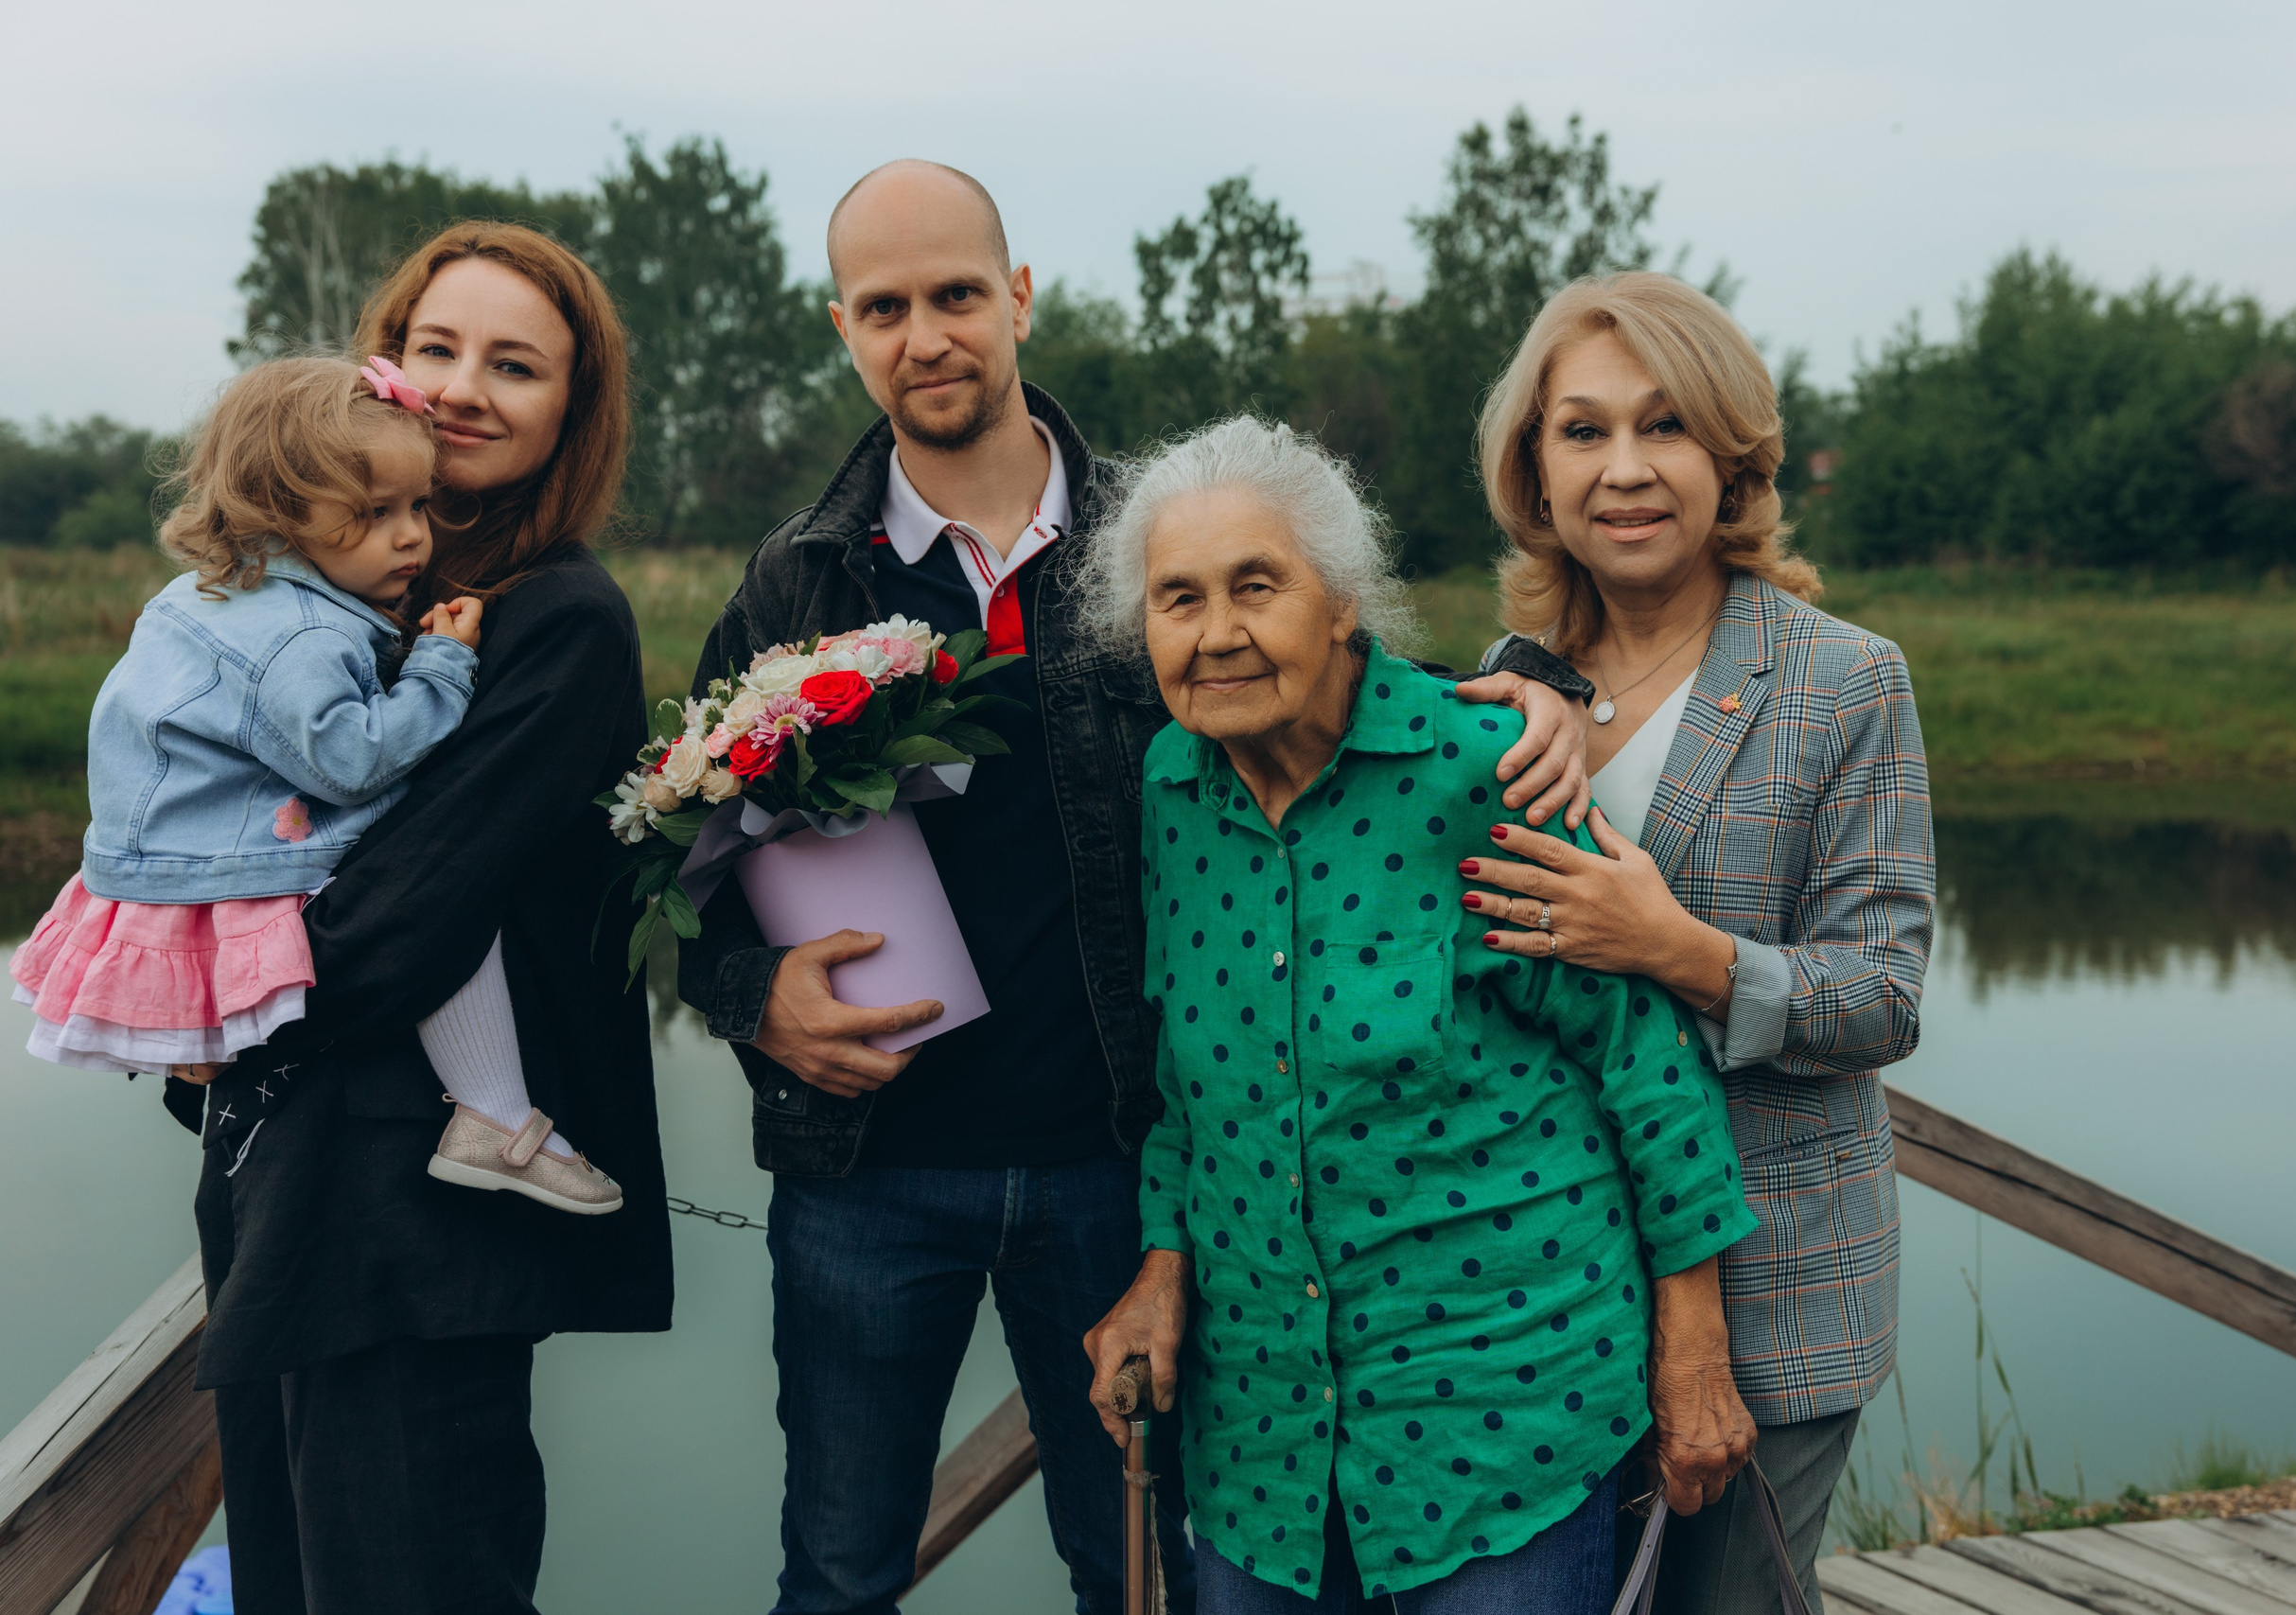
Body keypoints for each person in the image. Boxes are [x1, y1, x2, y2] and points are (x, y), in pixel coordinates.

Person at [676, 159, 1595, 1615]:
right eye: (888, 305)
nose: (929, 335)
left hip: (1119, 1165)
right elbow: (693, 855)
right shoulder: (797, 580)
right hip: (869, 1178)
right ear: (841, 323)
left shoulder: (1156, 538)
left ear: (1019, 297)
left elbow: (1328, 684)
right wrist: (749, 999)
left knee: (1137, 1571)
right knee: (838, 1571)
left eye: (960, 294)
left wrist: (1538, 676)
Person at [1072, 417, 1758, 1614]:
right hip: (1265, 1445)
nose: (1217, 632)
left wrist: (1693, 1352)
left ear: (1341, 602)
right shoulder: (1170, 790)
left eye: (1256, 586)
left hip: (1503, 1416)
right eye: (1177, 600)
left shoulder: (1481, 765)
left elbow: (1642, 1059)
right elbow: (1194, 1090)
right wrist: (1161, 1262)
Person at [173, 222, 673, 1615]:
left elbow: (409, 914)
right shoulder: (312, 602)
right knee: (285, 1576)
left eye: (515, 365)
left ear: (571, 413)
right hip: (276, 1177)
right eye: (433, 347)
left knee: (408, 1574)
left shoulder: (556, 619)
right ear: (378, 361)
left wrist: (225, 1017)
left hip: (416, 1225)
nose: (461, 386)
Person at [1456, 272, 1936, 1615]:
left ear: (1732, 458)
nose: (1624, 469)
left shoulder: (1846, 678)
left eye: (1663, 427)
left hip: (1776, 1288)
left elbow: (1886, 997)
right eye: (1583, 430)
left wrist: (1680, 948)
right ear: (1532, 469)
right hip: (1540, 1293)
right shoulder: (1492, 687)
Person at [13, 354, 620, 1213]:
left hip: (173, 863)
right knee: (449, 909)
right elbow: (355, 759)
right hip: (249, 863)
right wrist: (441, 667)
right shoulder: (301, 636)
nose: (413, 536)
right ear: (281, 513)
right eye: (375, 514)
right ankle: (493, 1112)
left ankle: (206, 1049)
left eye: (418, 505)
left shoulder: (204, 595)